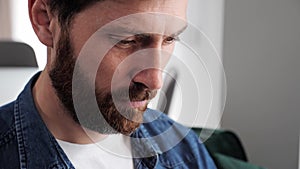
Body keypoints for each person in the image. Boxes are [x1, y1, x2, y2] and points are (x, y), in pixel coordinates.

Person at [0, 0, 217, 168]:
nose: (154, 81)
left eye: (170, 39)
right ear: (46, 21)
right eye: (127, 40)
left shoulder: (185, 152)